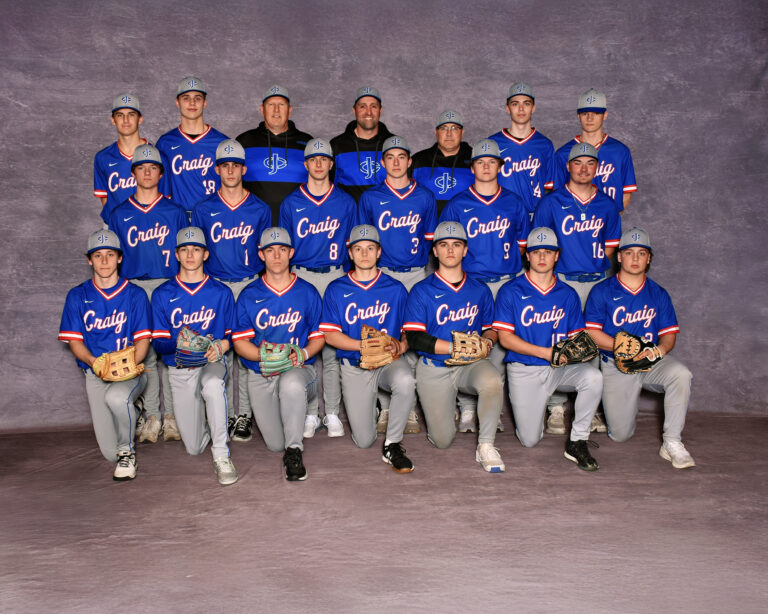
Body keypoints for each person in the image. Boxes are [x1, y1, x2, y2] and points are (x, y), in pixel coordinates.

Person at [439, 139, 530, 432]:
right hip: (472, 284)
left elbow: (522, 246)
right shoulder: (458, 203)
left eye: (492, 162)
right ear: (473, 166)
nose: (486, 167)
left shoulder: (514, 202)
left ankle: (492, 408)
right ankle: (467, 409)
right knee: (469, 343)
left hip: (506, 282)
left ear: (500, 167)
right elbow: (445, 249)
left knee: (501, 347)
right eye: (481, 162)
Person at [585, 227, 695, 469]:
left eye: (642, 253)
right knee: (620, 435)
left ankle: (672, 442)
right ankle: (610, 412)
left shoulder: (658, 293)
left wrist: (658, 351)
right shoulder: (602, 291)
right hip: (617, 364)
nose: (635, 258)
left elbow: (668, 336)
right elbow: (592, 333)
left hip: (650, 360)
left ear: (649, 259)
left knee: (681, 374)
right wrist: (620, 346)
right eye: (629, 252)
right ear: (620, 257)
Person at [493, 227, 601, 470]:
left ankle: (578, 440)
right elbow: (505, 339)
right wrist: (545, 352)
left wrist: (580, 349)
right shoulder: (511, 291)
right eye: (536, 251)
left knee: (593, 377)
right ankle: (540, 413)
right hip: (525, 369)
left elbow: (576, 338)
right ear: (527, 256)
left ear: (556, 256)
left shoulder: (568, 294)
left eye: (548, 251)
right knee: (530, 440)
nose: (542, 257)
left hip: (559, 369)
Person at [403, 221, 505, 473]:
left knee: (492, 380)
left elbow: (490, 327)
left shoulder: (479, 290)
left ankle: (486, 445)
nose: (450, 250)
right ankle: (447, 413)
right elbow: (414, 337)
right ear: (435, 251)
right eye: (443, 245)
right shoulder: (421, 290)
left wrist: (488, 341)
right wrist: (455, 347)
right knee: (442, 441)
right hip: (434, 367)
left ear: (465, 250)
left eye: (456, 245)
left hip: (471, 365)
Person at [533, 142, 621, 434]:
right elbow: (540, 245)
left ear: (596, 168)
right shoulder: (551, 202)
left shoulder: (607, 204)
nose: (583, 169)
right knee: (560, 340)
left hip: (595, 281)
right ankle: (556, 407)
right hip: (562, 281)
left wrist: (591, 264)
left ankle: (589, 408)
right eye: (577, 163)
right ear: (568, 167)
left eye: (590, 164)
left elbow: (610, 247)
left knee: (593, 343)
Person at [191, 139, 272, 443]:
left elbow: (266, 251)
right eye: (224, 165)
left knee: (248, 349)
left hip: (250, 282)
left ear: (243, 169)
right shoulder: (204, 208)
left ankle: (245, 415)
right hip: (216, 285)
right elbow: (197, 250)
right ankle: (222, 411)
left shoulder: (259, 208)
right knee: (219, 348)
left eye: (235, 165)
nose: (230, 170)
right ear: (217, 169)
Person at [107, 144, 188, 444]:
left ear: (160, 174)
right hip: (135, 288)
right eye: (141, 168)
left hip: (169, 286)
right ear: (134, 173)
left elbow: (186, 253)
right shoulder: (120, 213)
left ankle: (176, 415)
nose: (147, 172)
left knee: (172, 349)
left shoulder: (174, 211)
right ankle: (153, 414)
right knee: (146, 355)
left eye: (153, 168)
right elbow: (112, 257)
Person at [278, 138, 358, 439]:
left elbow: (354, 246)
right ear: (306, 164)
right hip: (301, 275)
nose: (319, 164)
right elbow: (284, 247)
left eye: (324, 159)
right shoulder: (291, 203)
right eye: (314, 159)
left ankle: (333, 412)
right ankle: (311, 413)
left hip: (336, 275)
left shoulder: (345, 202)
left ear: (331, 164)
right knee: (306, 345)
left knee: (333, 348)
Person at [358, 135, 437, 434]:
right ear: (382, 162)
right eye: (389, 157)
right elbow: (363, 242)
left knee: (413, 339)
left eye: (401, 157)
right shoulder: (370, 197)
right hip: (382, 275)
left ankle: (410, 406)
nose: (395, 162)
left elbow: (432, 243)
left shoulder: (425, 196)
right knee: (383, 337)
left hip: (416, 273)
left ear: (409, 161)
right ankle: (386, 406)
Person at [320, 225, 415, 473]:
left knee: (405, 379)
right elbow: (330, 335)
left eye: (370, 248)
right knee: (364, 441)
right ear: (350, 253)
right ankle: (370, 405)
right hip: (355, 364)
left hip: (388, 363)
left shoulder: (395, 288)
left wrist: (401, 345)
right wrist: (365, 345)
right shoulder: (336, 289)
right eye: (358, 249)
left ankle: (393, 444)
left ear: (379, 252)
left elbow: (409, 332)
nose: (364, 254)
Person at [232, 227, 325, 481]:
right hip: (261, 372)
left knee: (292, 382)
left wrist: (303, 354)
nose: (276, 256)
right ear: (261, 255)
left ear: (291, 253)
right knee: (274, 443)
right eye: (270, 251)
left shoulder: (307, 291)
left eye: (282, 250)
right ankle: (290, 430)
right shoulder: (250, 294)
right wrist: (265, 357)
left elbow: (318, 337)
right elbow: (240, 343)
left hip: (298, 370)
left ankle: (294, 451)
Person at [58, 230, 151, 480]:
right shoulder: (77, 296)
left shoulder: (135, 294)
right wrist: (94, 362)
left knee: (118, 399)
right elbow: (75, 342)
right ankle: (136, 412)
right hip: (96, 372)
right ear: (90, 260)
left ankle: (127, 453)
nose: (104, 261)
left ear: (119, 258)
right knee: (108, 452)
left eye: (110, 254)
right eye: (98, 255)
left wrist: (131, 364)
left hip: (129, 372)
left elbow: (143, 341)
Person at [151, 227, 238, 485]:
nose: (190, 254)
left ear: (205, 254)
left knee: (212, 386)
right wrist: (184, 345)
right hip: (180, 368)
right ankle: (213, 423)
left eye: (196, 249)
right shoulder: (162, 294)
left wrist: (222, 345)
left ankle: (222, 454)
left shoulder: (221, 292)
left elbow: (233, 335)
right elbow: (158, 344)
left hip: (212, 363)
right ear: (176, 254)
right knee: (193, 447)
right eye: (185, 250)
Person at [236, 85, 313, 222]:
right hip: (253, 223)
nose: (276, 110)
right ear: (262, 110)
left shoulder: (307, 143)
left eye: (281, 105)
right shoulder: (244, 141)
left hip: (299, 222)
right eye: (271, 104)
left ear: (289, 110)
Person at [552, 88, 637, 211]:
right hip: (574, 226)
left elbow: (626, 194)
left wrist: (610, 221)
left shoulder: (620, 151)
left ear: (605, 115)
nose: (590, 118)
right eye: (585, 113)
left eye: (596, 113)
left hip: (608, 224)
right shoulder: (563, 154)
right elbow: (557, 196)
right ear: (578, 116)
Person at [156, 76, 229, 217]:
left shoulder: (222, 142)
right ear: (177, 102)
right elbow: (159, 187)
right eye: (186, 98)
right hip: (177, 218)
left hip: (213, 217)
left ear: (205, 103)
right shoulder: (165, 143)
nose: (192, 103)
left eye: (197, 98)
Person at [488, 83, 555, 218]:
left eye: (526, 103)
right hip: (501, 217)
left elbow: (550, 189)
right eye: (515, 104)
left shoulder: (545, 145)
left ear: (533, 108)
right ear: (507, 108)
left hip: (535, 216)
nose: (521, 109)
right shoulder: (493, 143)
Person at [330, 86, 394, 202]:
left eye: (373, 106)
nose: (368, 112)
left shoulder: (394, 145)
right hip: (349, 218)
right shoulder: (337, 145)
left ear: (380, 110)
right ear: (354, 110)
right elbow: (327, 188)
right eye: (362, 106)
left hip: (386, 217)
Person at [94, 93, 149, 221]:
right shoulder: (103, 157)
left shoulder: (157, 156)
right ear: (113, 120)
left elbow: (164, 198)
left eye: (131, 114)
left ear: (140, 119)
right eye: (120, 115)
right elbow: (105, 198)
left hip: (148, 227)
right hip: (115, 228)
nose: (125, 120)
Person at [411, 110, 473, 215]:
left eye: (454, 128)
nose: (449, 134)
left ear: (462, 132)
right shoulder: (418, 160)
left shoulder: (476, 161)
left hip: (465, 228)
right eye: (444, 128)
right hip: (427, 229)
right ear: (436, 132)